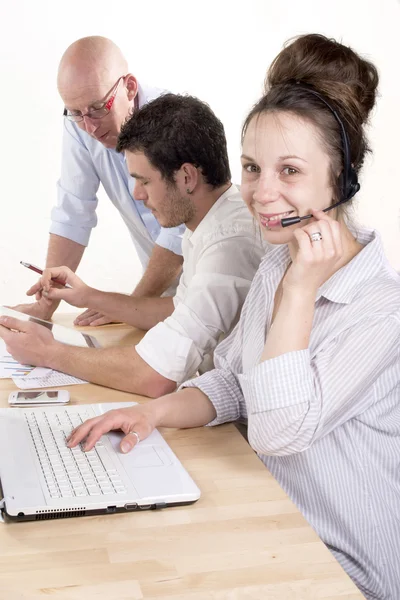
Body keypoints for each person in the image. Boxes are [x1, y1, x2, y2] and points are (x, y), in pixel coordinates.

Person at [61, 35, 400, 599]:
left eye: (289, 170)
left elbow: (276, 431)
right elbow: (234, 381)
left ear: (338, 180)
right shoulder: (274, 267)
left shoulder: (380, 309)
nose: (262, 193)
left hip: (344, 566)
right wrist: (153, 414)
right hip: (275, 524)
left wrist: (297, 293)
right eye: (251, 168)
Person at [0, 94, 265, 397]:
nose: (137, 195)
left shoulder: (228, 247)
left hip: (239, 427)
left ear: (187, 176)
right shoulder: (214, 219)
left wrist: (48, 352)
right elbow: (179, 310)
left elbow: (156, 375)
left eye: (144, 181)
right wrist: (89, 296)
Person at [14, 36, 185, 326]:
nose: (90, 126)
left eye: (98, 108)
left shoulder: (174, 123)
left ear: (129, 87)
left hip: (207, 285)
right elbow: (72, 213)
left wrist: (127, 306)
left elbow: (178, 232)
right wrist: (47, 305)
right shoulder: (80, 123)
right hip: (156, 294)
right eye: (76, 113)